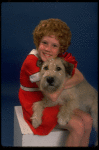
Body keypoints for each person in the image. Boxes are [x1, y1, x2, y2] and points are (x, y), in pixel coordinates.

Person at [19, 18, 93, 147]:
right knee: (78, 125)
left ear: (60, 49)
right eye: (45, 43)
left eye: (54, 45)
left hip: (55, 100)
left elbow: (79, 76)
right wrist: (65, 80)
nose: (48, 49)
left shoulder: (54, 59)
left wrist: (65, 79)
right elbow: (52, 95)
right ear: (38, 42)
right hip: (36, 102)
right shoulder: (33, 61)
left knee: (88, 120)